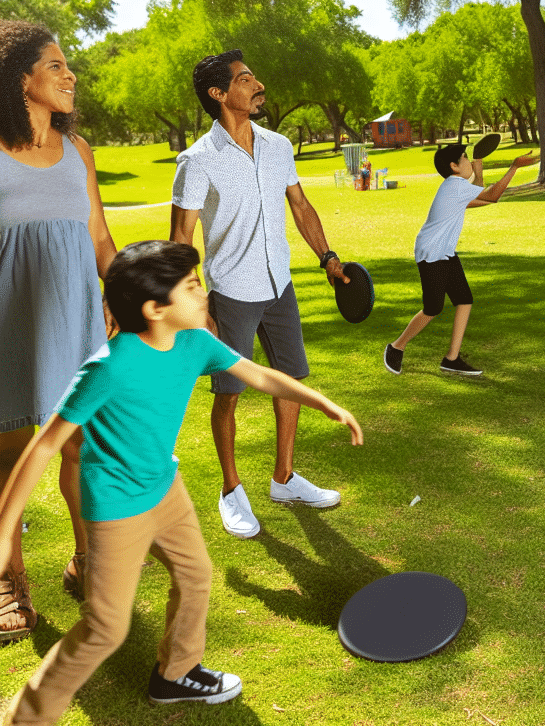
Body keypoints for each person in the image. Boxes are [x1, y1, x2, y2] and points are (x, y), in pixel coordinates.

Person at [0, 241, 363, 723]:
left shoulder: (195, 344)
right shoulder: (109, 367)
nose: (203, 295)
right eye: (191, 287)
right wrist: (4, 531)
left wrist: (322, 403)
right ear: (155, 309)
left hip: (165, 488)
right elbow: (45, 445)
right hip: (116, 504)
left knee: (195, 576)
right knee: (106, 627)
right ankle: (25, 716)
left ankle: (177, 674)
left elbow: (258, 375)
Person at [170, 50, 350, 540]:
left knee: (290, 381)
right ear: (219, 94)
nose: (258, 84)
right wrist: (195, 305)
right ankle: (231, 490)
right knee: (229, 394)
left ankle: (285, 478)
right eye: (246, 79)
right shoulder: (196, 161)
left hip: (280, 285)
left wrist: (328, 257)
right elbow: (180, 240)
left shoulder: (278, 146)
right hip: (230, 293)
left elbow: (300, 203)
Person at [0, 21, 118, 641]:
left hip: (77, 320)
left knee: (83, 446)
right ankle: (7, 580)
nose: (71, 75)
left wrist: (124, 291)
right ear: (21, 80)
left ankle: (87, 559)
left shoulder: (80, 152)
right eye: (55, 66)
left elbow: (98, 236)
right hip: (7, 325)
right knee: (9, 456)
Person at [384, 142, 538, 377]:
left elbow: (482, 195)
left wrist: (478, 166)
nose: (467, 161)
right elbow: (492, 196)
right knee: (433, 308)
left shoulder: (455, 186)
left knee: (464, 299)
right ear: (454, 166)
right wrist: (514, 166)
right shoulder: (455, 186)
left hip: (444, 252)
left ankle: (451, 359)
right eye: (464, 158)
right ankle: (396, 347)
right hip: (432, 253)